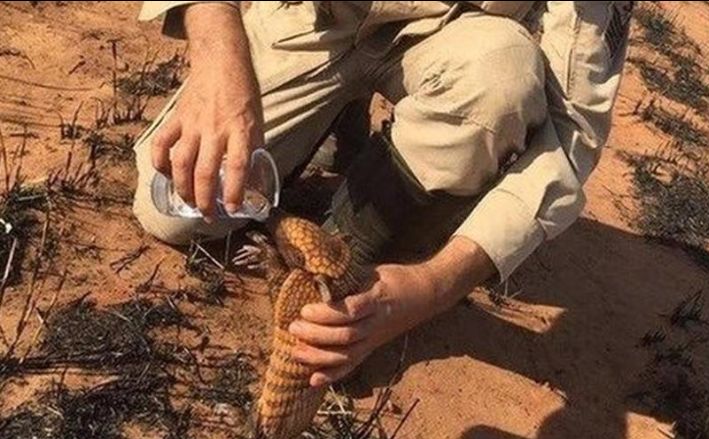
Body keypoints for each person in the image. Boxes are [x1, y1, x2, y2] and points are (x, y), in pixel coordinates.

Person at [133, 1, 633, 387]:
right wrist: (221, 63)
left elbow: (571, 130)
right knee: (178, 213)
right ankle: (333, 118)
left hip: (452, 39)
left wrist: (432, 286)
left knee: (501, 78)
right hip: (317, 22)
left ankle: (351, 241)